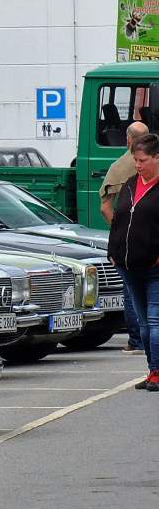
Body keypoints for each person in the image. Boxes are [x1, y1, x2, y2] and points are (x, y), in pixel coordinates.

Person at [108, 132, 159, 390]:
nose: (138, 165)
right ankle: (152, 371)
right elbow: (118, 219)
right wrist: (113, 250)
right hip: (129, 265)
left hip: (154, 266)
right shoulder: (130, 183)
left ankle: (158, 372)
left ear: (157, 158)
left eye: (142, 160)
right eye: (135, 160)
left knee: (154, 320)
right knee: (142, 323)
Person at [102, 122, 150, 355]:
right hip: (150, 245)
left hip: (130, 248)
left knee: (133, 293)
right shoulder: (151, 164)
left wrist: (122, 232)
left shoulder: (119, 167)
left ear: (128, 140)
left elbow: (105, 207)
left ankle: (137, 341)